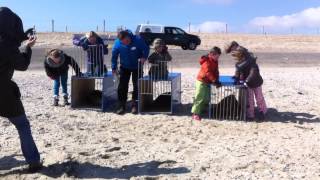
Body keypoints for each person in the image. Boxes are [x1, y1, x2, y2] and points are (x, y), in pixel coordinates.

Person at [0, 7, 42, 172]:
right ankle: (33, 162)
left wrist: (23, 37)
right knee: (22, 125)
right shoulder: (7, 46)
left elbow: (11, 37)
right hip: (4, 92)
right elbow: (22, 64)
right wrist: (28, 47)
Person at [111, 30, 150, 114]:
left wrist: (144, 57)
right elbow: (114, 56)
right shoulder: (118, 43)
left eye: (127, 42)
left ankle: (134, 104)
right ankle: (121, 105)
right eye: (123, 43)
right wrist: (113, 68)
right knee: (122, 86)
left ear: (128, 37)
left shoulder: (138, 40)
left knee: (137, 85)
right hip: (124, 67)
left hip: (137, 66)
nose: (126, 44)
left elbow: (146, 48)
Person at [231, 47, 267, 121]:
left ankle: (262, 112)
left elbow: (253, 72)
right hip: (247, 83)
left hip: (256, 82)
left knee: (259, 98)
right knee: (249, 99)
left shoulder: (251, 62)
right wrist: (236, 77)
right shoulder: (240, 63)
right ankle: (250, 114)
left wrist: (247, 80)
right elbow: (239, 72)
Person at [191, 47, 222, 121]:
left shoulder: (215, 61)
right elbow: (208, 72)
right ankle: (195, 113)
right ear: (211, 54)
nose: (217, 58)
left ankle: (203, 109)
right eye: (217, 56)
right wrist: (214, 80)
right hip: (201, 81)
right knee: (200, 97)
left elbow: (216, 71)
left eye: (218, 56)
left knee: (207, 98)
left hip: (208, 82)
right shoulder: (206, 61)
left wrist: (216, 80)